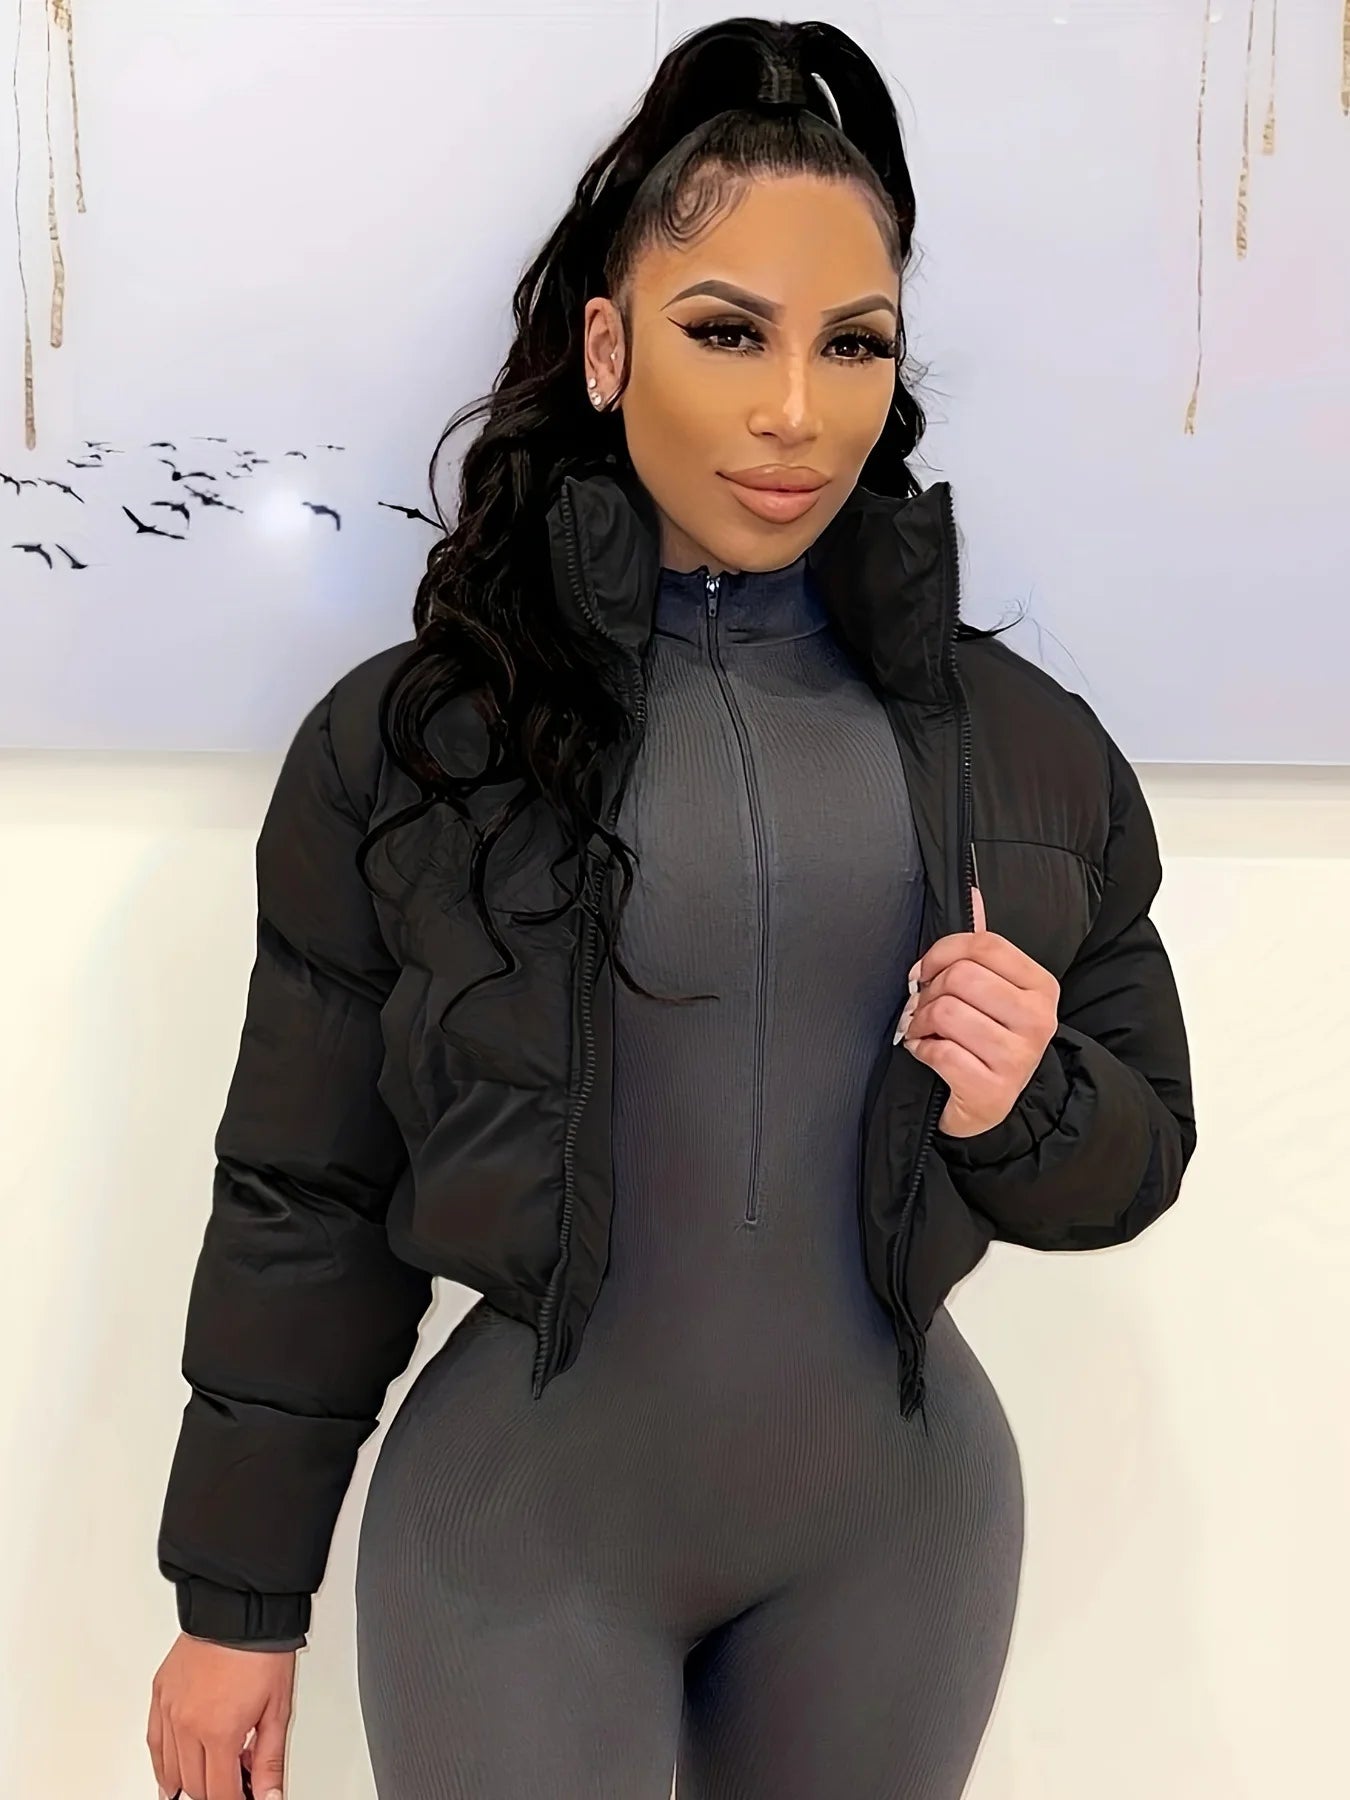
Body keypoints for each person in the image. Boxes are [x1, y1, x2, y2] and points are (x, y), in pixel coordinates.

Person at [146, 17, 1197, 1800]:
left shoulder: (1021, 746)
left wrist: (1033, 1098)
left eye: (850, 344)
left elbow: (1135, 1152)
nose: (795, 412)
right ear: (607, 347)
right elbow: (304, 1189)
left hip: (899, 1541)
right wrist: (238, 1601)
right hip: (519, 1544)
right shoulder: (418, 745)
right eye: (727, 332)